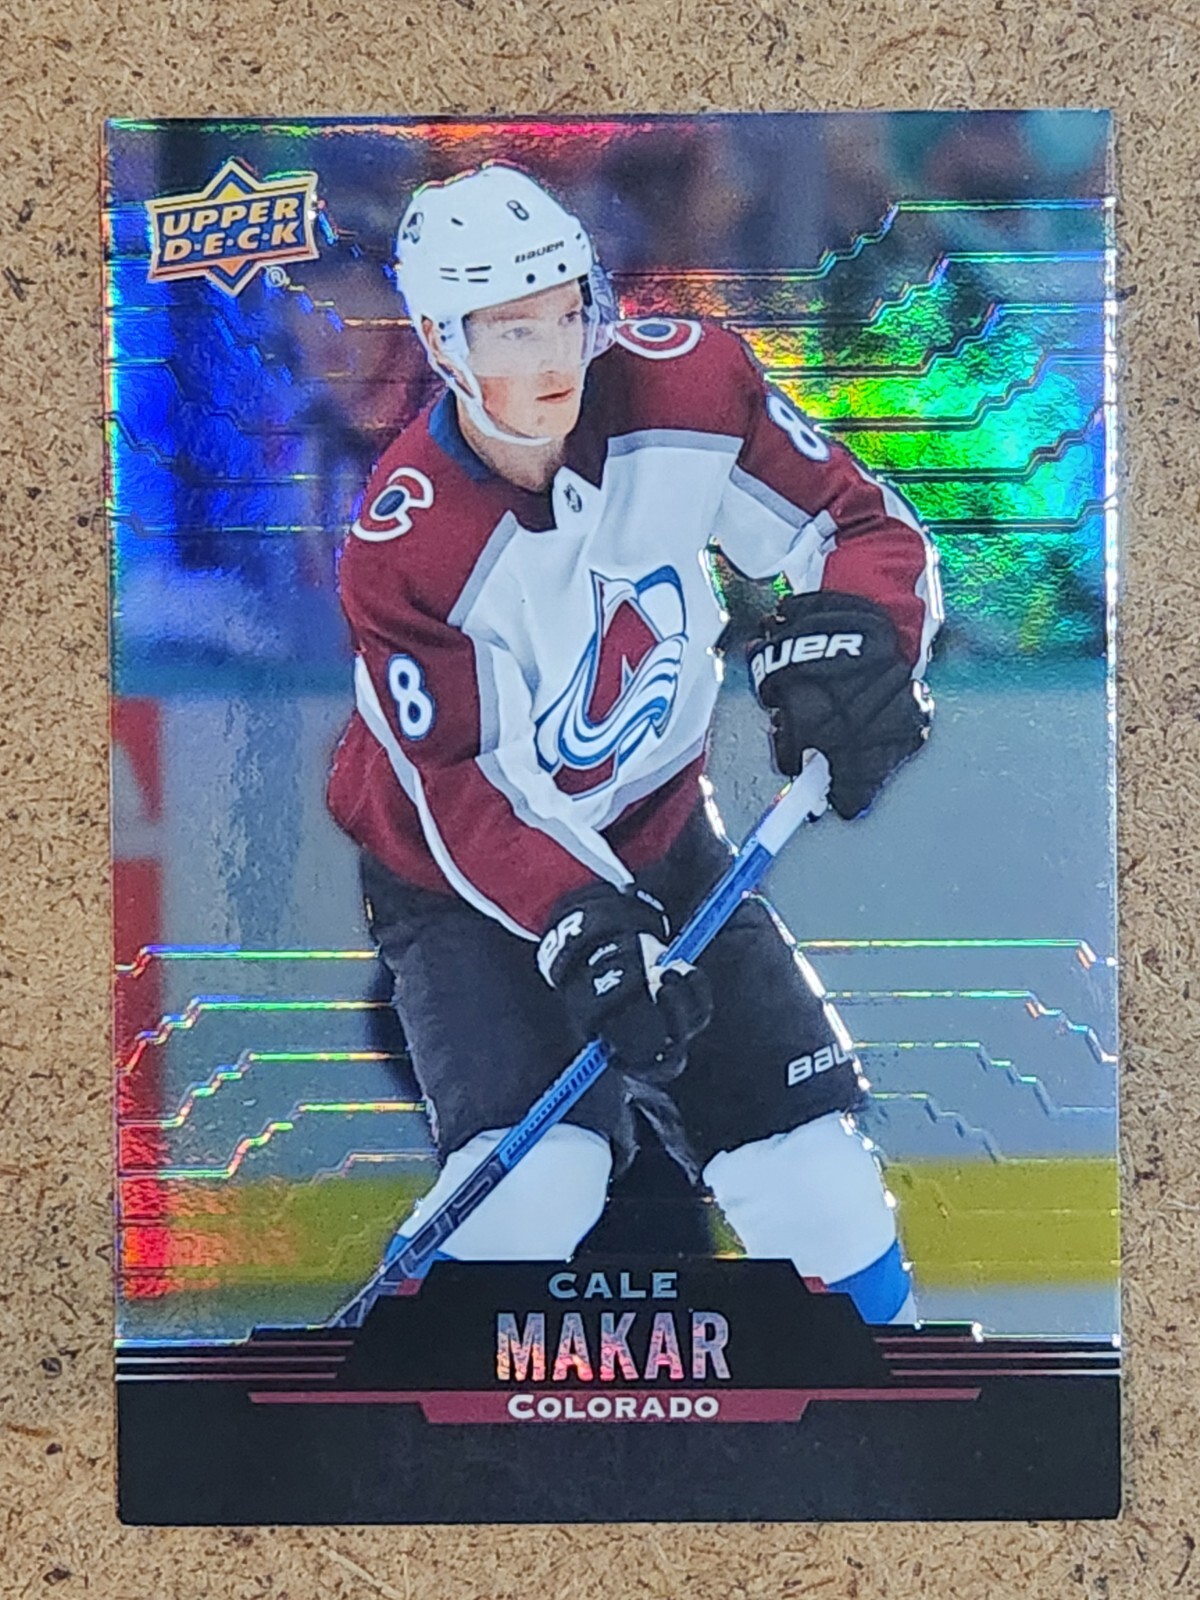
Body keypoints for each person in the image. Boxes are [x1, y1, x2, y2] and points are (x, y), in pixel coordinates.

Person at [327, 162, 942, 1325]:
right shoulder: (404, 547)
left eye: (568, 312)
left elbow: (858, 525)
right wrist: (587, 929)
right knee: (536, 1188)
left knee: (814, 1177)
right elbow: (466, 789)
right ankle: (412, 1362)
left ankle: (904, 1397)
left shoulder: (687, 384)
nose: (555, 356)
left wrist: (867, 641)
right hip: (469, 890)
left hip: (661, 834)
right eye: (513, 330)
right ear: (444, 342)